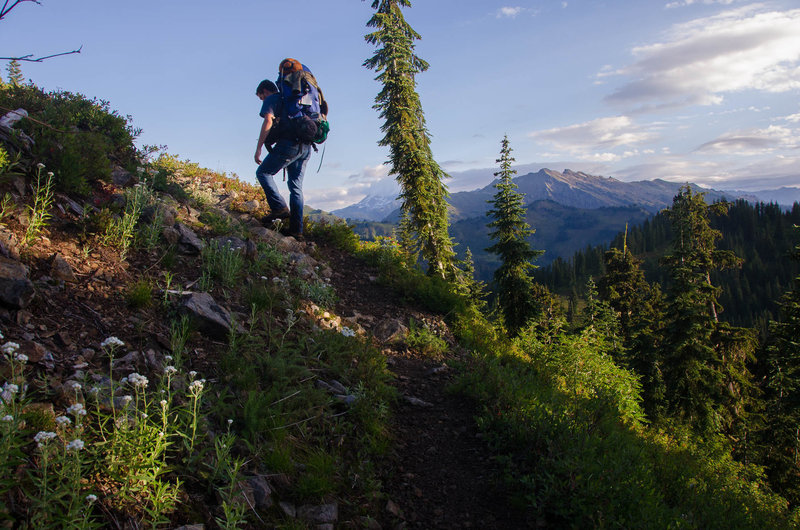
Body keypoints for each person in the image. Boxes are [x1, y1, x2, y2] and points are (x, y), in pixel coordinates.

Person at [254, 73, 312, 239]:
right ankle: (296, 231)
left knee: (263, 173)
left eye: (261, 96)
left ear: (265, 91)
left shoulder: (273, 99)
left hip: (289, 145)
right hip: (306, 146)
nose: (262, 100)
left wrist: (258, 148)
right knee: (296, 187)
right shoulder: (293, 100)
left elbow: (268, 121)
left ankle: (279, 208)